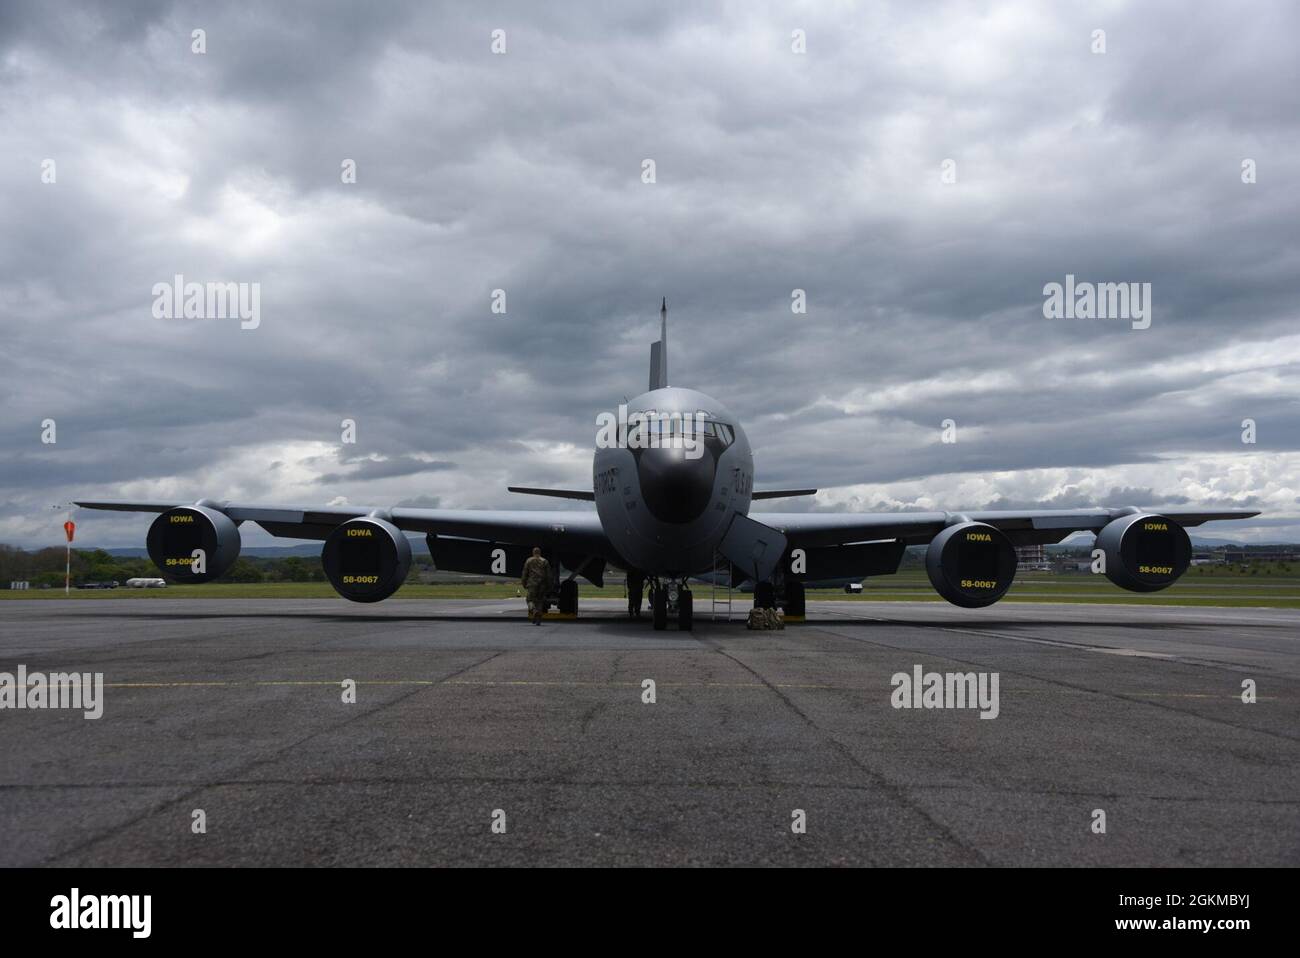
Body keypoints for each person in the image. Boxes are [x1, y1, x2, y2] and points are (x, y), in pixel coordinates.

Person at [520, 547, 552, 625]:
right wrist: (549, 585)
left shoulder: (529, 560)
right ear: (540, 553)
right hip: (542, 584)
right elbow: (549, 575)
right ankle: (538, 620)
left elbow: (525, 573)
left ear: (533, 552)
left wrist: (524, 583)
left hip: (532, 584)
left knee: (529, 600)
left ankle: (534, 611)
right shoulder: (545, 561)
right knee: (540, 601)